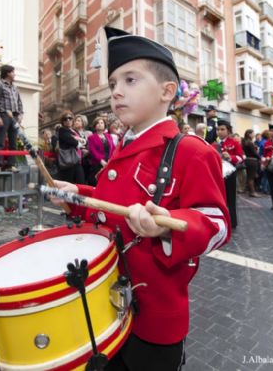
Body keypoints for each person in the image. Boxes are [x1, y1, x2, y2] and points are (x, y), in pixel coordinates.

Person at [52, 26, 230, 370]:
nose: (117, 92)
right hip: (104, 304)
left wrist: (164, 228)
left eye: (130, 80)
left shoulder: (191, 151)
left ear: (167, 91)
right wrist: (78, 196)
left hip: (154, 316)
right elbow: (112, 202)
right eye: (114, 83)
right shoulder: (125, 145)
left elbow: (218, 226)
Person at [0, 64, 24, 173]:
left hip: (14, 116)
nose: (15, 74)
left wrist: (20, 114)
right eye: (13, 72)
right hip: (4, 114)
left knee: (13, 141)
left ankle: (11, 164)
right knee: (0, 141)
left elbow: (19, 102)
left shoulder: (15, 87)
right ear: (8, 73)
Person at [213, 120, 243, 228]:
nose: (219, 132)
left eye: (222, 129)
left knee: (231, 199)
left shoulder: (234, 143)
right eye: (218, 129)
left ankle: (232, 222)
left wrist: (230, 157)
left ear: (228, 130)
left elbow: (241, 158)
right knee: (220, 198)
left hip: (230, 173)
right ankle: (222, 221)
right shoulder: (214, 144)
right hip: (218, 174)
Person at [57, 110, 86, 184]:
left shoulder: (73, 130)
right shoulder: (62, 130)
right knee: (69, 184)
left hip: (77, 161)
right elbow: (69, 139)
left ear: (72, 119)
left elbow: (81, 140)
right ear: (62, 121)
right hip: (69, 162)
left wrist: (82, 141)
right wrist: (79, 143)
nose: (68, 120)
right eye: (65, 119)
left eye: (70, 118)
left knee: (81, 182)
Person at [86, 117, 115, 185]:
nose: (100, 124)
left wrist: (111, 159)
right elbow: (92, 151)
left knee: (110, 181)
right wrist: (101, 160)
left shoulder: (109, 136)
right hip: (97, 164)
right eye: (97, 123)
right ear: (95, 126)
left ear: (104, 125)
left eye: (102, 123)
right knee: (99, 182)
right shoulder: (91, 137)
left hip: (109, 162)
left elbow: (113, 148)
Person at [242, 129, 262, 197]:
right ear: (249, 134)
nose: (254, 135)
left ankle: (251, 190)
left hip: (248, 160)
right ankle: (252, 192)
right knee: (251, 177)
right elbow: (254, 153)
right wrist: (260, 158)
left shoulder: (245, 142)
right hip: (252, 160)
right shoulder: (249, 142)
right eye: (253, 133)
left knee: (250, 176)